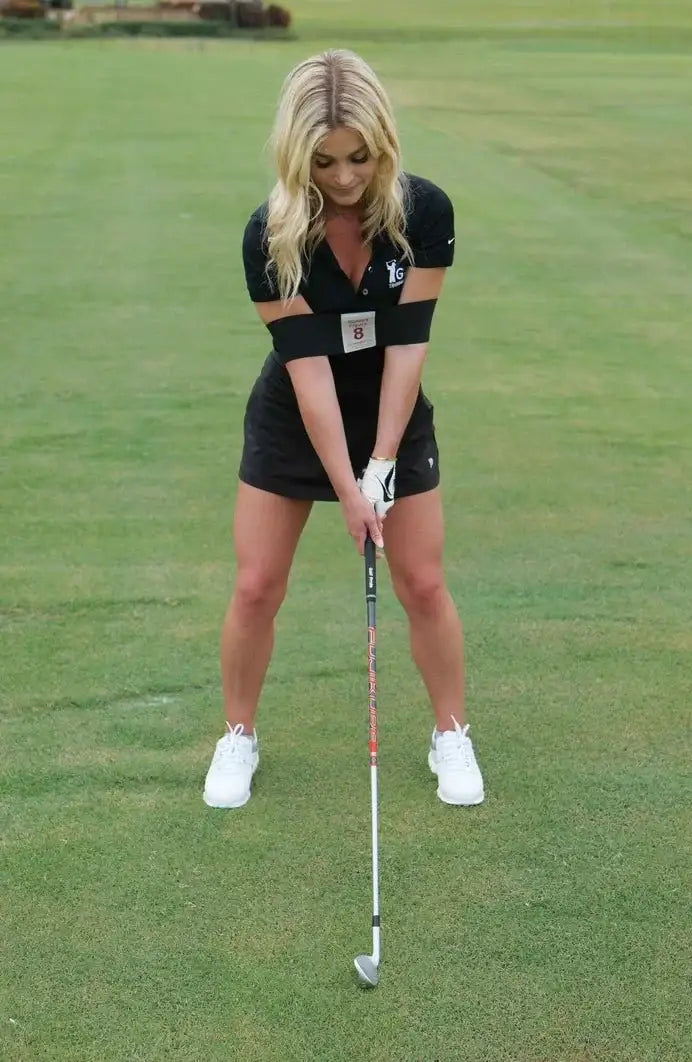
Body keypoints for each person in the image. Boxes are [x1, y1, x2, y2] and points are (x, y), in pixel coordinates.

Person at [203, 49, 484, 810]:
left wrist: (385, 460)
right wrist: (348, 488)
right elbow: (306, 369)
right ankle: (237, 736)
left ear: (383, 143)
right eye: (324, 161)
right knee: (258, 584)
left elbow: (408, 342)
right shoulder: (270, 236)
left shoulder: (423, 212)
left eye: (360, 157)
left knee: (422, 583)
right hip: (299, 413)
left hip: (391, 400)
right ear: (298, 155)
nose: (345, 177)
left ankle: (449, 732)